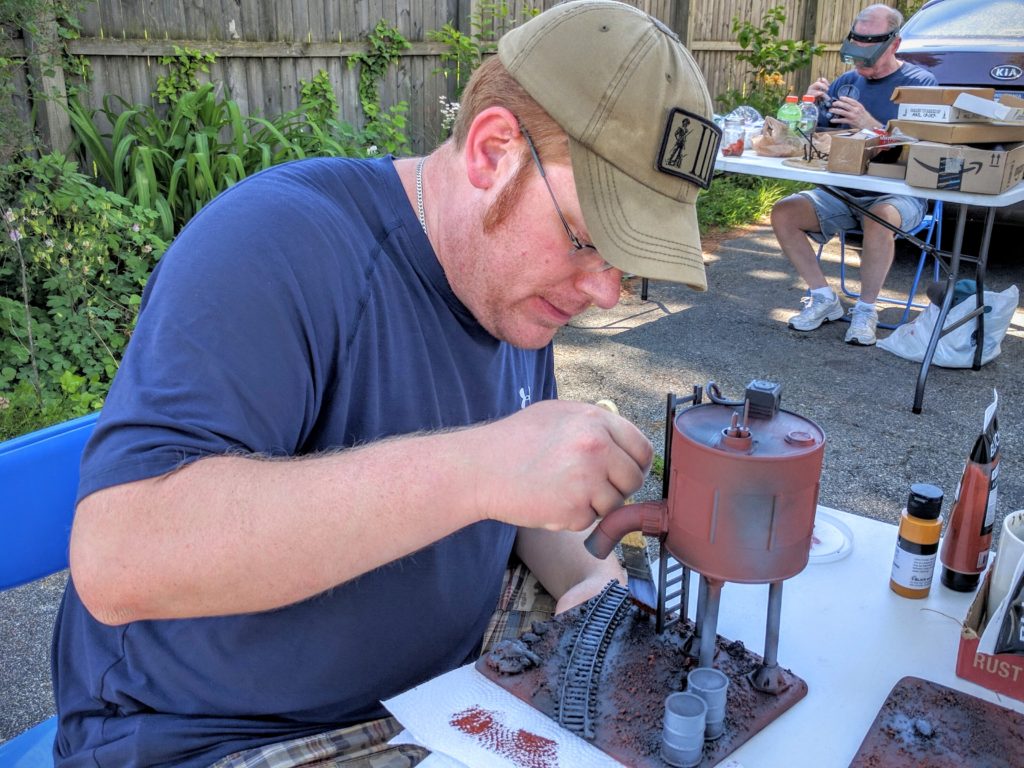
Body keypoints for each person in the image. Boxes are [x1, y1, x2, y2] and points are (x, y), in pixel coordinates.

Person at [51, 3, 722, 767]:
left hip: (439, 694)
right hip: (229, 735)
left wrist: (592, 585)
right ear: (492, 151)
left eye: (627, 264)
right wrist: (480, 468)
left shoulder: (513, 291)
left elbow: (520, 494)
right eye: (589, 240)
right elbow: (120, 557)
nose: (604, 291)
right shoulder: (273, 247)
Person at [771, 4, 937, 346]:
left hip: (897, 194)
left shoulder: (920, 84)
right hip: (843, 192)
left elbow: (927, 148)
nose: (861, 54)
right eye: (857, 42)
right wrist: (810, 111)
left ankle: (866, 310)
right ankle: (823, 298)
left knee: (879, 218)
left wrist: (872, 126)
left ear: (894, 44)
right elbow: (819, 142)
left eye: (870, 44)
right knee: (783, 213)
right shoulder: (846, 82)